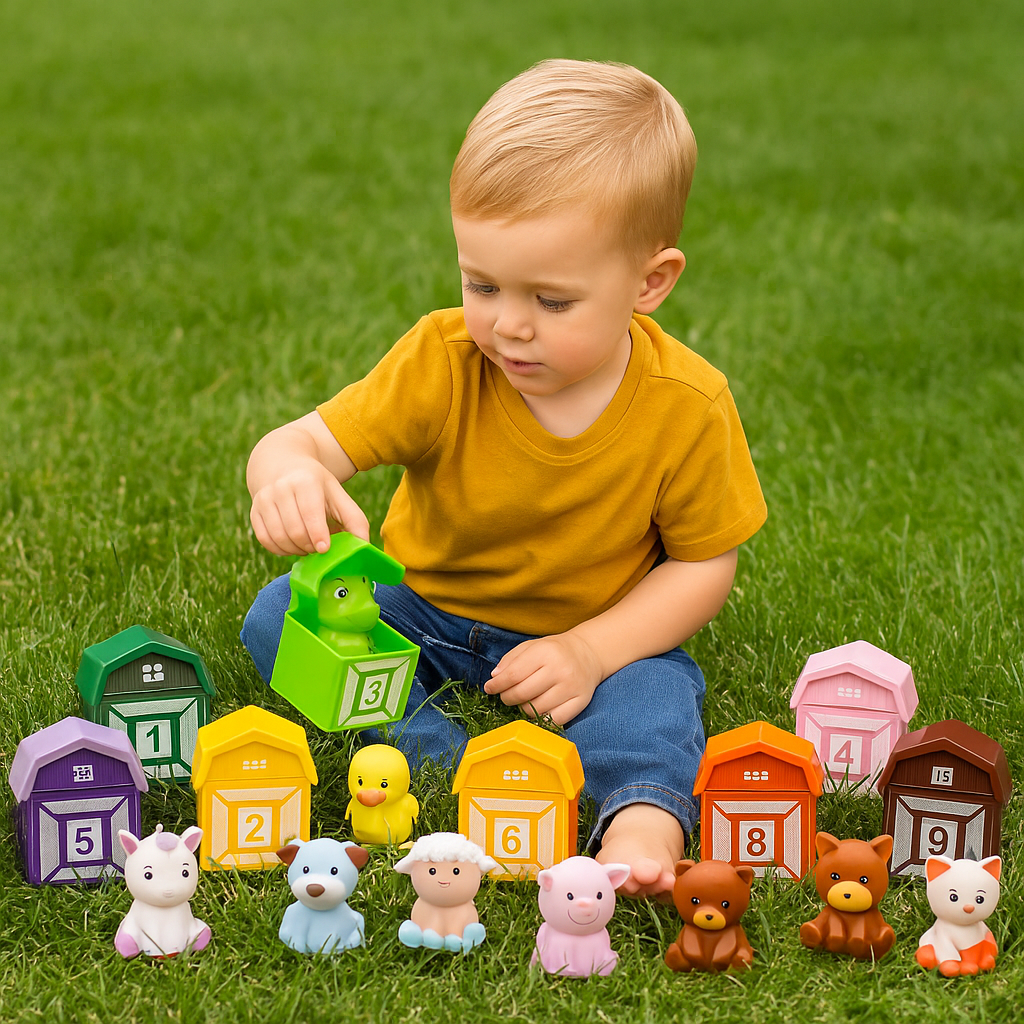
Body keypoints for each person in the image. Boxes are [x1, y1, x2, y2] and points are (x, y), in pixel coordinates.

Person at [242, 59, 766, 898]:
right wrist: (286, 474)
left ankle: (640, 823)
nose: (508, 325)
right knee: (280, 615)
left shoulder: (686, 405)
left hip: (591, 628)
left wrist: (592, 651)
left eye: (552, 302)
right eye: (481, 284)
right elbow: (301, 440)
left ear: (650, 282)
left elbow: (704, 564)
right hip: (420, 609)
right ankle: (436, 762)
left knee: (655, 694)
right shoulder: (443, 359)